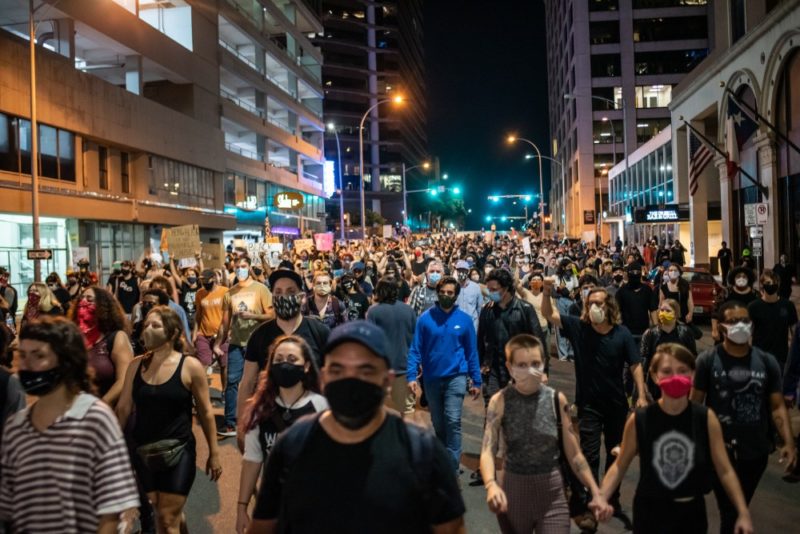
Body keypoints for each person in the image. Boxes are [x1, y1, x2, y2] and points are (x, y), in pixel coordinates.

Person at [246, 320, 465, 534]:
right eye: (338, 369)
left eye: (366, 370)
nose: (351, 380)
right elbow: (264, 526)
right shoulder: (292, 446)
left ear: (387, 381)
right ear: (323, 377)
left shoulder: (423, 453)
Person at [0, 317, 140, 532]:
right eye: (23, 356)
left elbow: (112, 511)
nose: (26, 365)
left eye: (38, 356)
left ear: (65, 362)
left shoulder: (95, 420)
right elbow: (7, 507)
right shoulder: (16, 427)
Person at [598, 343, 754, 534]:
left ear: (693, 374)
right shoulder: (640, 419)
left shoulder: (705, 418)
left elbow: (725, 470)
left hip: (690, 515)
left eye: (682, 370)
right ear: (655, 376)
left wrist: (742, 511)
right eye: (667, 371)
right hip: (650, 514)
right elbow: (619, 465)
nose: (675, 377)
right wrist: (602, 497)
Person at [480, 334, 611, 534]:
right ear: (509, 367)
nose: (530, 370)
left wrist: (595, 491)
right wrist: (491, 485)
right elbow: (488, 449)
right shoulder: (500, 401)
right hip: (514, 495)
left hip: (552, 495)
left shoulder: (556, 400)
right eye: (522, 365)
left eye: (535, 363)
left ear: (543, 364)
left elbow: (575, 454)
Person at [541, 282, 647, 517]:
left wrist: (640, 394)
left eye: (599, 303)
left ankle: (612, 497)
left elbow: (635, 364)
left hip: (616, 404)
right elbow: (548, 314)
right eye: (590, 304)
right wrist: (547, 293)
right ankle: (591, 497)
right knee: (589, 454)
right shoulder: (579, 328)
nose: (594, 307)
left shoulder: (622, 334)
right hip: (588, 404)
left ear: (609, 306)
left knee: (615, 453)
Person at [691, 301, 797, 534]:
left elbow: (777, 406)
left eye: (745, 321)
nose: (740, 326)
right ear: (721, 327)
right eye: (733, 321)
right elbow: (695, 404)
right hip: (719, 450)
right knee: (732, 511)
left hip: (756, 450)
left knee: (739, 506)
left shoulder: (767, 362)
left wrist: (788, 442)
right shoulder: (708, 361)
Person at [116, 305, 222, 534]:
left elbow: (205, 412)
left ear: (173, 333)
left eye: (156, 325)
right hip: (144, 452)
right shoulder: (136, 366)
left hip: (179, 450)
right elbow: (123, 409)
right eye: (146, 325)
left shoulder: (190, 366)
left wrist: (214, 453)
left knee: (166, 518)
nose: (148, 330)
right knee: (163, 512)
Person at [236, 335, 327, 534]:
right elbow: (252, 459)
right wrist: (242, 506)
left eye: (292, 360)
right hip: (273, 503)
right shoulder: (259, 410)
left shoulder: (321, 407)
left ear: (306, 366)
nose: (285, 365)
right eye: (278, 360)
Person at [238, 269, 329, 445]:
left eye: (290, 291)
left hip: (313, 422)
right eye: (278, 292)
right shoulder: (259, 335)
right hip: (270, 423)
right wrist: (242, 424)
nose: (284, 296)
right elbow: (247, 382)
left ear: (302, 296)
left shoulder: (319, 332)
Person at [407, 275, 481, 472]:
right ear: (437, 293)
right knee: (438, 423)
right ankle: (443, 459)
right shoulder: (425, 319)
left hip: (456, 377)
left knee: (453, 420)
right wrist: (411, 376)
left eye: (450, 293)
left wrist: (476, 380)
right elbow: (415, 349)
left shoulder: (464, 321)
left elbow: (471, 352)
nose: (446, 295)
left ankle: (452, 466)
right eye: (443, 292)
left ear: (456, 295)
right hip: (431, 378)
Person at [214, 256, 274, 437]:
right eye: (237, 267)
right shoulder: (229, 294)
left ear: (249, 267)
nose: (240, 269)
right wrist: (218, 343)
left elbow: (272, 314)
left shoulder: (261, 289)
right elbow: (224, 323)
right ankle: (231, 422)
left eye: (243, 266)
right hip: (236, 344)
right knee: (232, 382)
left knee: (258, 381)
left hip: (257, 343)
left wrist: (253, 316)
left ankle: (259, 417)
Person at [478, 268, 547, 402]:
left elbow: (538, 341)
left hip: (520, 371)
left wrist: (543, 371)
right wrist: (480, 366)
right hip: (493, 370)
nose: (490, 293)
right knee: (493, 413)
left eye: (494, 289)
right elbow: (480, 341)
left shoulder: (525, 309)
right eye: (488, 290)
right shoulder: (487, 310)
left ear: (506, 288)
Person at [69, 287, 134, 407]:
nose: (83, 302)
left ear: (103, 307)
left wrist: (101, 405)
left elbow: (124, 380)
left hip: (106, 410)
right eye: (81, 299)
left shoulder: (116, 337)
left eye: (89, 299)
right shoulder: (74, 338)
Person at [366, 276, 417, 416]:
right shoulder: (409, 310)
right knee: (407, 410)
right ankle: (406, 437)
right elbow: (415, 339)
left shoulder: (373, 311)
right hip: (404, 367)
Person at [640, 299, 697, 400]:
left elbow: (692, 358)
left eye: (668, 311)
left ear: (676, 313)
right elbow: (644, 360)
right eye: (661, 310)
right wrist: (643, 385)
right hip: (657, 384)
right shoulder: (650, 334)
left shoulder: (686, 332)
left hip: (680, 381)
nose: (663, 313)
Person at [748, 269, 798, 369]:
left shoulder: (788, 306)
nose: (771, 285)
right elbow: (749, 334)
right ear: (761, 285)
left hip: (782, 359)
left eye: (774, 282)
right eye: (768, 283)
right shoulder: (753, 307)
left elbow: (795, 334)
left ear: (778, 285)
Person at [712, 267, 760, 343]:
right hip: (726, 335)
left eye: (744, 276)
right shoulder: (726, 292)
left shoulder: (756, 295)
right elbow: (715, 312)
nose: (741, 278)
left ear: (749, 279)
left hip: (749, 336)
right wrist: (714, 330)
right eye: (738, 276)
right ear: (733, 279)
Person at [193, 269, 229, 371]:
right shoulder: (199, 293)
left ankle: (225, 388)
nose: (203, 283)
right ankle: (201, 387)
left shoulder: (225, 291)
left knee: (224, 367)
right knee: (202, 365)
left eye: (205, 280)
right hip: (203, 335)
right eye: (201, 281)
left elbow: (230, 315)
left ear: (213, 279)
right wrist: (195, 334)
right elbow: (198, 315)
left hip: (223, 337)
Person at [615, 264, 655, 341]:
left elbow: (653, 309)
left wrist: (655, 328)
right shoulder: (621, 291)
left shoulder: (647, 290)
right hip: (626, 332)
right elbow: (617, 312)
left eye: (637, 271)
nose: (635, 274)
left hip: (644, 331)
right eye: (632, 272)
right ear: (627, 273)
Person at [454, 259, 482, 331]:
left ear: (468, 271)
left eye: (464, 270)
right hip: (457, 324)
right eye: (459, 270)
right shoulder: (453, 287)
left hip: (472, 325)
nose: (461, 273)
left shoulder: (476, 287)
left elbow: (479, 308)